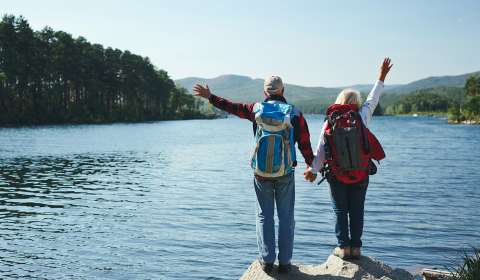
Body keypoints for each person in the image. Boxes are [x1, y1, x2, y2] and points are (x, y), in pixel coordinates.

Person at [192, 77, 315, 274]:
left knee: (264, 215)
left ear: (266, 92)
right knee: (286, 218)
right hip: (285, 173)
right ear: (283, 91)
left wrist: (210, 97)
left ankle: (266, 261)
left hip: (261, 173)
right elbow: (305, 144)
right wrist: (312, 166)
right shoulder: (295, 113)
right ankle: (285, 263)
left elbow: (232, 107)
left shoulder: (255, 109)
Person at [304, 58, 393, 260]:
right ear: (355, 103)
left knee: (340, 210)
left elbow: (320, 149)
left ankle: (343, 247)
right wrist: (381, 76)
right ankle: (356, 248)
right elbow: (373, 99)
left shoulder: (330, 121)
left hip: (336, 174)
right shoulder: (361, 117)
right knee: (357, 210)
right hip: (361, 173)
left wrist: (312, 170)